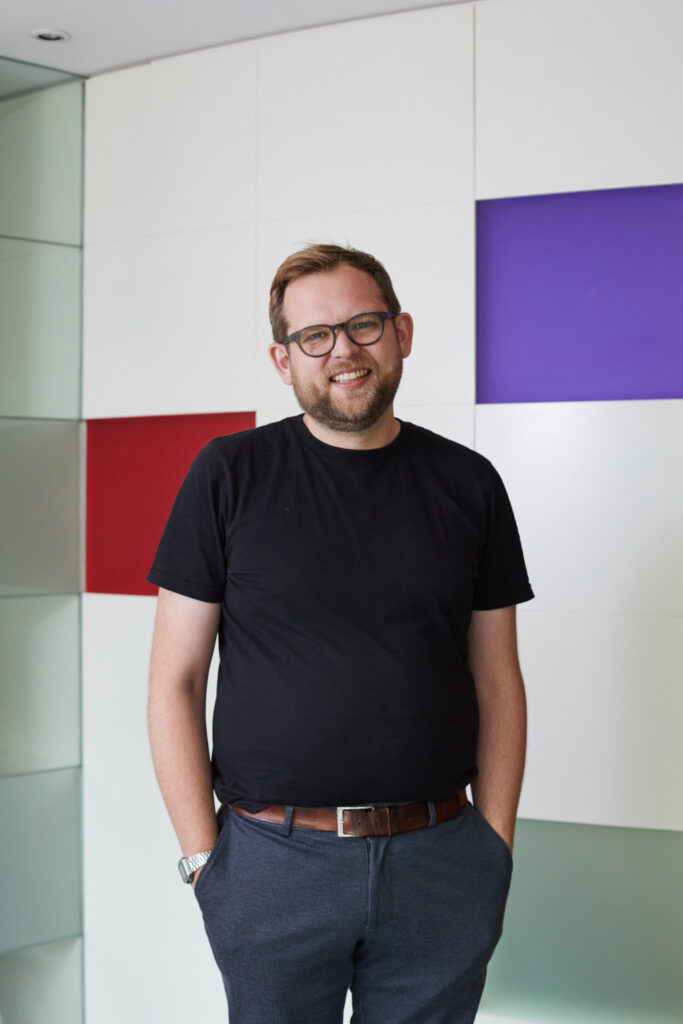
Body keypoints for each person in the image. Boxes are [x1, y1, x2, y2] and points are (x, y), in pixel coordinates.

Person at [147, 243, 534, 1024]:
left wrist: (492, 849)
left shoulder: (469, 483)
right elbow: (173, 681)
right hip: (271, 864)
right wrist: (203, 860)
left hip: (441, 860)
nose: (343, 352)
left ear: (402, 332)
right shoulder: (227, 474)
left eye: (363, 325)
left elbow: (497, 677)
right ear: (281, 359)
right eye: (314, 336)